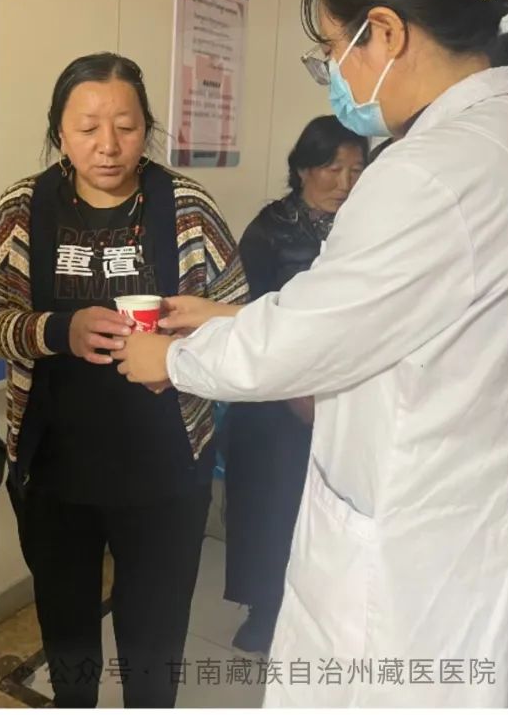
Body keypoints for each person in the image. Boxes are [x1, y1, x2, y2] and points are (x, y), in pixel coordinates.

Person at [112, 0, 508, 706]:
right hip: (461, 521)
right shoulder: (504, 141)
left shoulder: (425, 175)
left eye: (334, 47)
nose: (333, 70)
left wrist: (172, 357)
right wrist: (226, 318)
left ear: (386, 33)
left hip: (400, 565)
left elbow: (305, 340)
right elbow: (365, 314)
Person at [0, 53, 248, 708]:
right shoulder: (22, 209)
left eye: (127, 127)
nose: (108, 145)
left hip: (167, 468)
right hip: (56, 468)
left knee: (154, 639)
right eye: (87, 128)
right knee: (68, 635)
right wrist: (58, 330)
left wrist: (182, 359)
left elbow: (242, 322)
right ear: (59, 131)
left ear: (147, 128)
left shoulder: (186, 208)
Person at [223, 116, 366, 654]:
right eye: (333, 168)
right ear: (304, 169)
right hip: (275, 396)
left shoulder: (366, 228)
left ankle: (325, 609)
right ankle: (266, 608)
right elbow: (249, 320)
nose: (345, 183)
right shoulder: (268, 231)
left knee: (332, 505)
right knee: (272, 502)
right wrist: (294, 394)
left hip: (341, 388)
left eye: (356, 170)